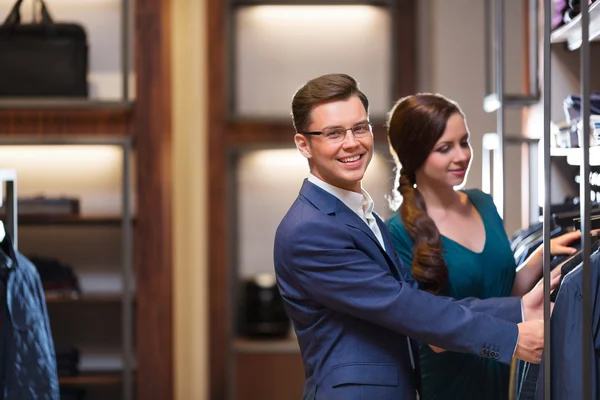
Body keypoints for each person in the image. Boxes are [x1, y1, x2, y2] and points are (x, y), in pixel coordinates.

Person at [273, 73, 557, 400]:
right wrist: (508, 341)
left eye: (360, 127)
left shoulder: (364, 217)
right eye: (334, 133)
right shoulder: (311, 229)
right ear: (303, 144)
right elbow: (405, 307)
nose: (352, 142)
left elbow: (416, 301)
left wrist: (519, 309)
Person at [385, 92, 580, 400]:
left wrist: (539, 258)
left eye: (464, 142)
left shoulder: (484, 203)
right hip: (452, 383)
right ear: (414, 155)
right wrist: (514, 327)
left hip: (506, 369)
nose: (461, 155)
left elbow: (500, 292)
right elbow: (433, 332)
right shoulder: (399, 232)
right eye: (444, 148)